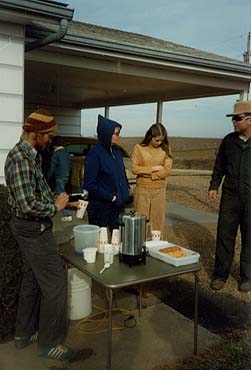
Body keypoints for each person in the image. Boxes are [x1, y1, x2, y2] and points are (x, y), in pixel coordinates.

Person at [4, 108, 93, 361]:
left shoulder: (30, 155)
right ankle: (50, 343)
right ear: (38, 134)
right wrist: (55, 208)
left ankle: (23, 334)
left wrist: (66, 202)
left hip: (32, 227)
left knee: (32, 278)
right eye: (49, 136)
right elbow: (27, 204)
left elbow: (39, 193)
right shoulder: (20, 158)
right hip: (32, 229)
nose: (51, 140)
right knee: (56, 283)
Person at [208, 101, 251, 293]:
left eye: (237, 118)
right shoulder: (228, 141)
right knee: (225, 235)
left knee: (250, 238)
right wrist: (214, 186)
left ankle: (247, 278)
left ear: (250, 120)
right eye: (233, 118)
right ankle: (220, 275)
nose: (233, 122)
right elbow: (219, 166)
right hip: (230, 196)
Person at [83, 114, 129, 234]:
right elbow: (89, 184)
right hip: (100, 208)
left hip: (117, 206)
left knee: (117, 240)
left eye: (119, 133)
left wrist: (126, 189)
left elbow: (121, 174)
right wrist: (110, 197)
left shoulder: (117, 152)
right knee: (100, 244)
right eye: (115, 133)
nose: (118, 137)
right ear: (106, 134)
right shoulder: (95, 154)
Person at [131, 123, 172, 236]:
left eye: (162, 140)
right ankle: (139, 246)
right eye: (156, 140)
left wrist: (152, 176)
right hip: (142, 190)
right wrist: (153, 169)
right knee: (140, 220)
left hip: (159, 191)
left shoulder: (166, 149)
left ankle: (156, 247)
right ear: (150, 136)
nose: (159, 143)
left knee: (157, 221)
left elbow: (167, 170)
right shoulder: (138, 148)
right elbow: (134, 169)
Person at [47, 136, 72, 222]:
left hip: (59, 177)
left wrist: (47, 177)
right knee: (62, 193)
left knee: (61, 195)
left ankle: (67, 214)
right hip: (66, 176)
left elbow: (52, 168)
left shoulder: (56, 154)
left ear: (54, 145)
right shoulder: (66, 153)